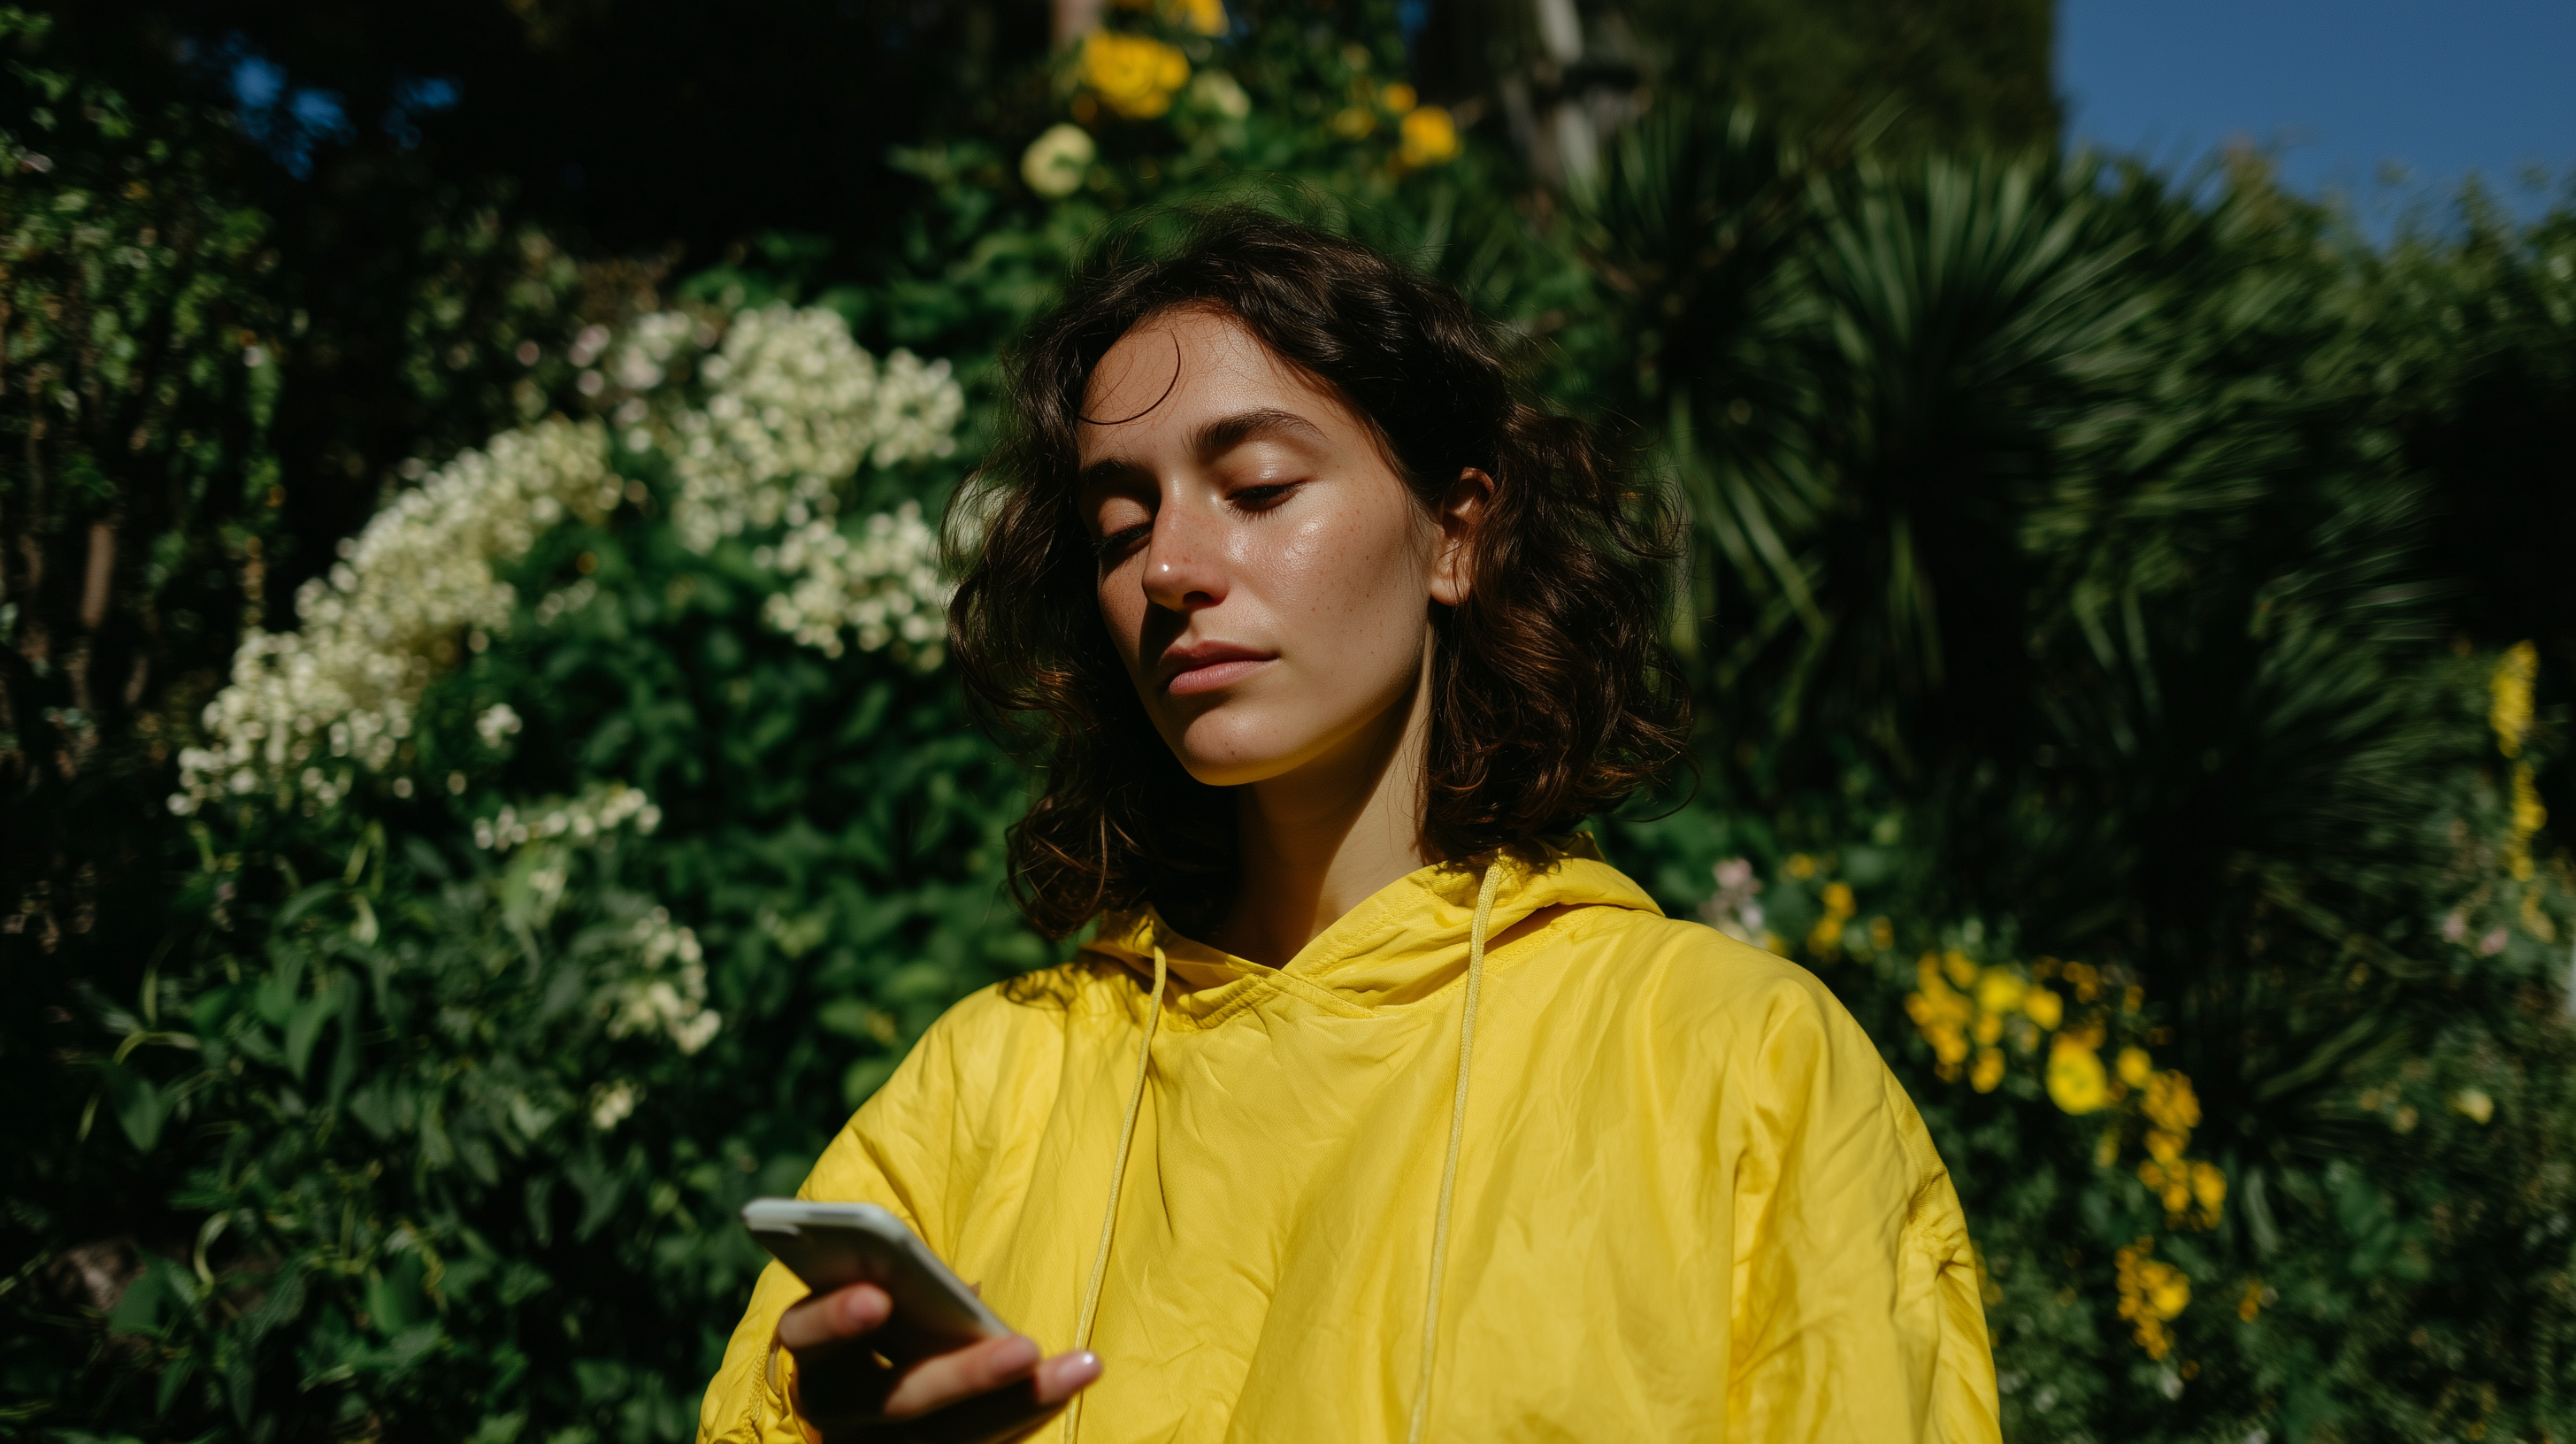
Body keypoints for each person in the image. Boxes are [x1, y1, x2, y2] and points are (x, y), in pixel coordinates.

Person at [699, 211, 1998, 1444]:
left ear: (1456, 535)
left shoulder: (1737, 1063)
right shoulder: (980, 1091)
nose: (1170, 567)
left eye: (1258, 487)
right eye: (1120, 526)